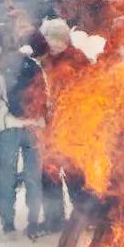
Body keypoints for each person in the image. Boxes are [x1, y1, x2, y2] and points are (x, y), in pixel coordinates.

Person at [0, 27, 50, 237]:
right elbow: (45, 93)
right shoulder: (33, 62)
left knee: (7, 175)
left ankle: (8, 221)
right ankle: (33, 220)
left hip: (8, 124)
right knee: (33, 176)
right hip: (34, 124)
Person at [39, 18, 90, 233]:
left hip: (72, 123)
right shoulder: (44, 61)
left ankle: (82, 216)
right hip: (49, 123)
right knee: (48, 170)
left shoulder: (78, 59)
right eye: (51, 39)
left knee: (73, 170)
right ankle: (53, 217)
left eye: (59, 39)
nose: (55, 43)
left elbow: (89, 88)